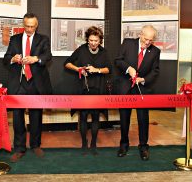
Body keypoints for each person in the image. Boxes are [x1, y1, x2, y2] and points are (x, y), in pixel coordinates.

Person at [3, 13, 52, 162]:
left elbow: (48, 56)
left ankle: (36, 145)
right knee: (17, 117)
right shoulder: (15, 39)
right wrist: (13, 58)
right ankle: (19, 148)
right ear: (23, 25)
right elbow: (6, 58)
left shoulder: (43, 39)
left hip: (36, 82)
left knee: (36, 115)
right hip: (19, 82)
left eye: (32, 26)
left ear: (36, 26)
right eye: (27, 26)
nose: (29, 29)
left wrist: (35, 58)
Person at [114, 25, 160, 160]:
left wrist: (143, 79)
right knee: (124, 118)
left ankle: (144, 147)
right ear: (140, 34)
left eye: (151, 41)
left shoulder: (155, 51)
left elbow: (155, 71)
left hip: (142, 89)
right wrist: (129, 68)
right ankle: (123, 145)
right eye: (146, 39)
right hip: (125, 87)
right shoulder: (128, 43)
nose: (147, 43)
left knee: (143, 119)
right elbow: (118, 60)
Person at [64, 26, 111, 155]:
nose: (93, 43)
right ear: (87, 40)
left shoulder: (104, 52)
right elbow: (67, 63)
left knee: (96, 117)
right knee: (83, 117)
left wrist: (97, 70)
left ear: (100, 40)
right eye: (91, 40)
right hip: (83, 89)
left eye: (96, 40)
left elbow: (109, 69)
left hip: (98, 88)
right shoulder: (81, 50)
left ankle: (93, 144)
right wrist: (78, 69)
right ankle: (84, 144)